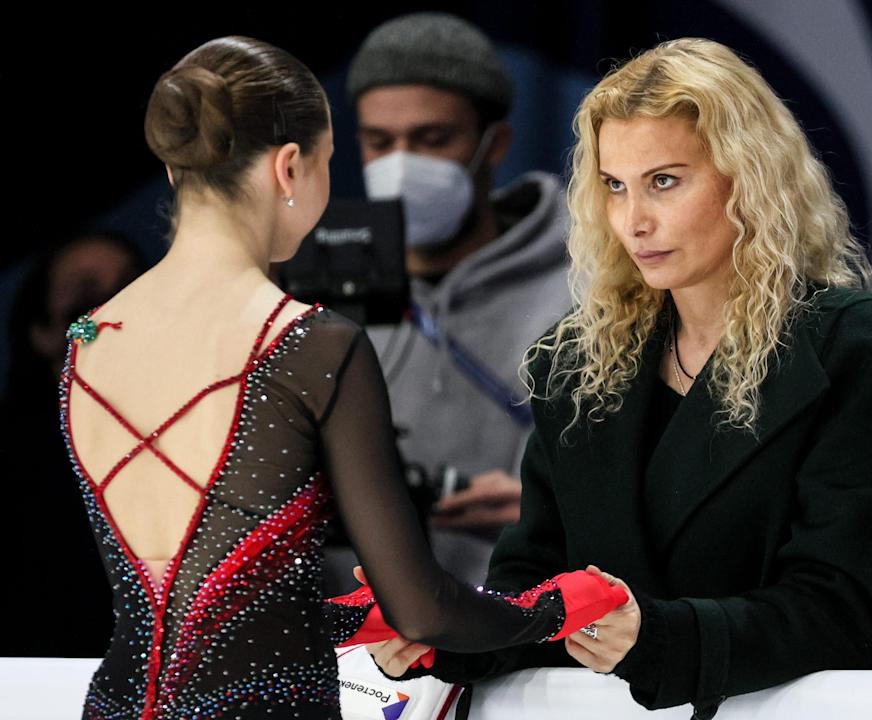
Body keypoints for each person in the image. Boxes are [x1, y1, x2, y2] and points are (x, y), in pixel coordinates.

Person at [58, 36, 626, 719]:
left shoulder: (88, 341)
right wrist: (561, 606)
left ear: (181, 170)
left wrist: (347, 615)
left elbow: (194, 615)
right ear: (291, 167)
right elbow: (427, 610)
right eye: (334, 163)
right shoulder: (309, 341)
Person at [367, 37, 872, 717]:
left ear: (748, 177)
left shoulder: (845, 339)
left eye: (665, 181)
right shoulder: (572, 360)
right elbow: (532, 586)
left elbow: (837, 609)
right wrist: (443, 632)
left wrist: (656, 638)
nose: (635, 221)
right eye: (614, 187)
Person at [343, 13, 571, 583]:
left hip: (533, 632)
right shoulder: (323, 277)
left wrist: (561, 510)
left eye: (432, 139)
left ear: (494, 144)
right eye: (379, 142)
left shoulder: (592, 280)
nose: (401, 163)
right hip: (353, 638)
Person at [0, 231, 145, 658]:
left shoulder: (207, 442)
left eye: (132, 285)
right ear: (42, 332)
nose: (112, 306)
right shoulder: (10, 460)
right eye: (85, 292)